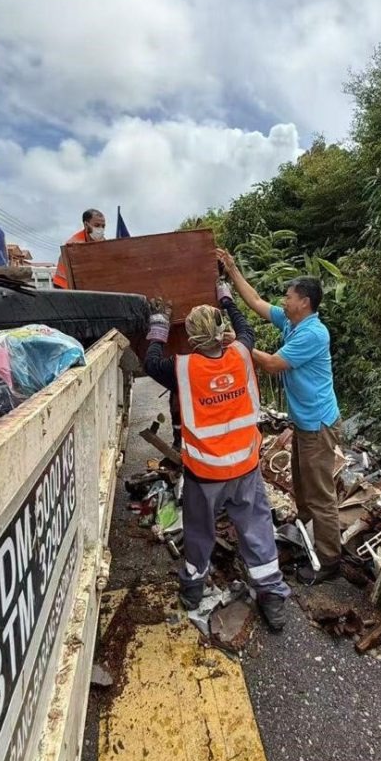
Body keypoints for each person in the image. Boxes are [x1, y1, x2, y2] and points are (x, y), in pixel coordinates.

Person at [143, 282, 290, 632]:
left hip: (206, 474)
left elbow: (149, 362)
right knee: (256, 529)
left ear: (191, 337)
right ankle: (271, 594)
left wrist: (160, 322)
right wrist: (225, 297)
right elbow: (247, 329)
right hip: (245, 468)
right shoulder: (240, 353)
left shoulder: (182, 369)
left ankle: (193, 590)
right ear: (222, 332)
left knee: (199, 532)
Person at [216, 248, 342, 584]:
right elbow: (255, 301)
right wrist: (231, 268)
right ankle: (308, 537)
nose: (283, 301)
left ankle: (330, 561)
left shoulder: (314, 333)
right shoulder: (291, 321)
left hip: (317, 424)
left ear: (304, 301)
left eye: (288, 297)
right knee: (302, 487)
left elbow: (271, 364)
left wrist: (238, 343)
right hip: (304, 423)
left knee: (319, 493)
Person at [52, 209, 106, 289]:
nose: (100, 229)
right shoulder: (73, 245)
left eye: (103, 226)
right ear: (86, 225)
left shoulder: (104, 242)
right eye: (97, 225)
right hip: (64, 286)